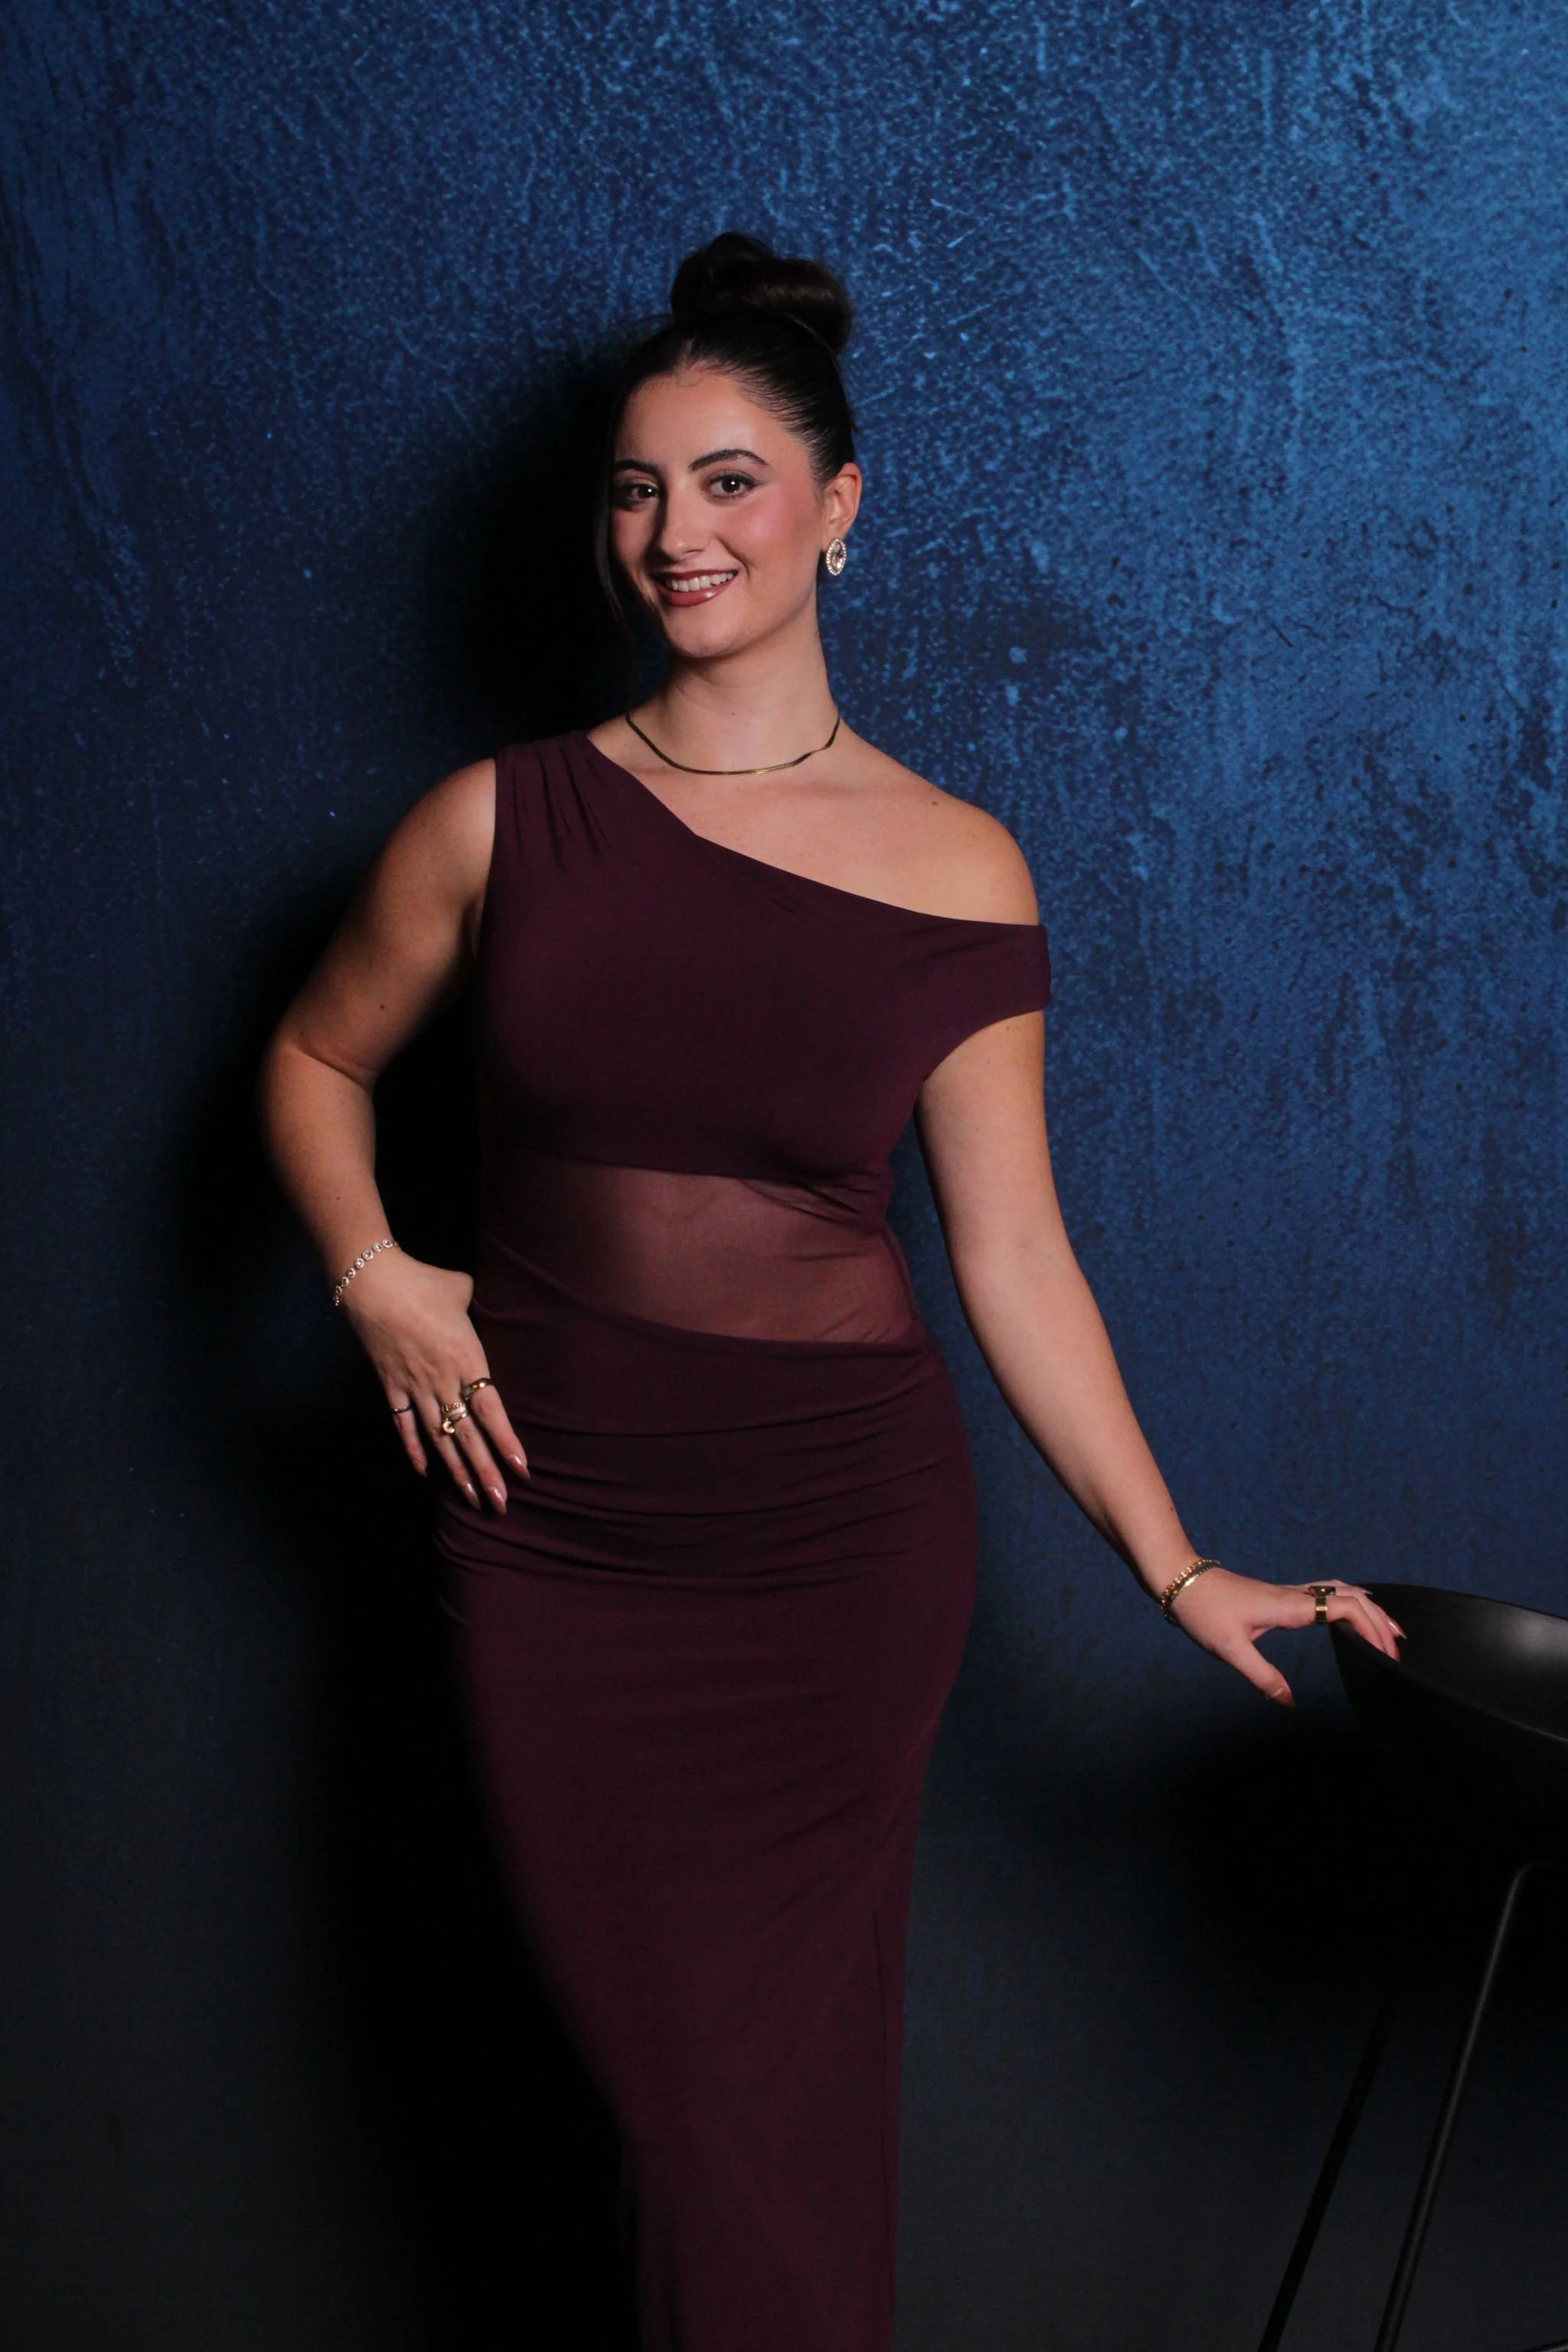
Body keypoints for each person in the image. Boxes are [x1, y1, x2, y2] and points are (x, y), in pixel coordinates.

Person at [261, 232, 1403, 2352]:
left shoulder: (964, 870)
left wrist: (1176, 1572)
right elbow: (315, 1058)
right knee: (690, 2109)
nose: (673, 534)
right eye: (633, 490)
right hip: (556, 1544)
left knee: (765, 2121)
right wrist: (369, 1271)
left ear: (839, 506)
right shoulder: (501, 820)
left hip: (834, 1562)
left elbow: (1016, 1255)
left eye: (725, 483)